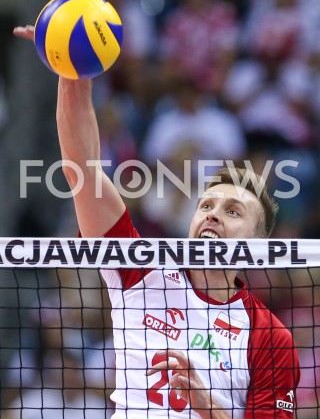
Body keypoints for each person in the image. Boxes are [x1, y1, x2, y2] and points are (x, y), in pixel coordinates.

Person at [14, 25, 300, 418]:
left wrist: (208, 407)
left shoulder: (270, 336)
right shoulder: (141, 268)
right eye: (207, 206)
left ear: (255, 246)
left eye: (232, 212)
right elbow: (82, 169)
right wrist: (73, 68)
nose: (213, 214)